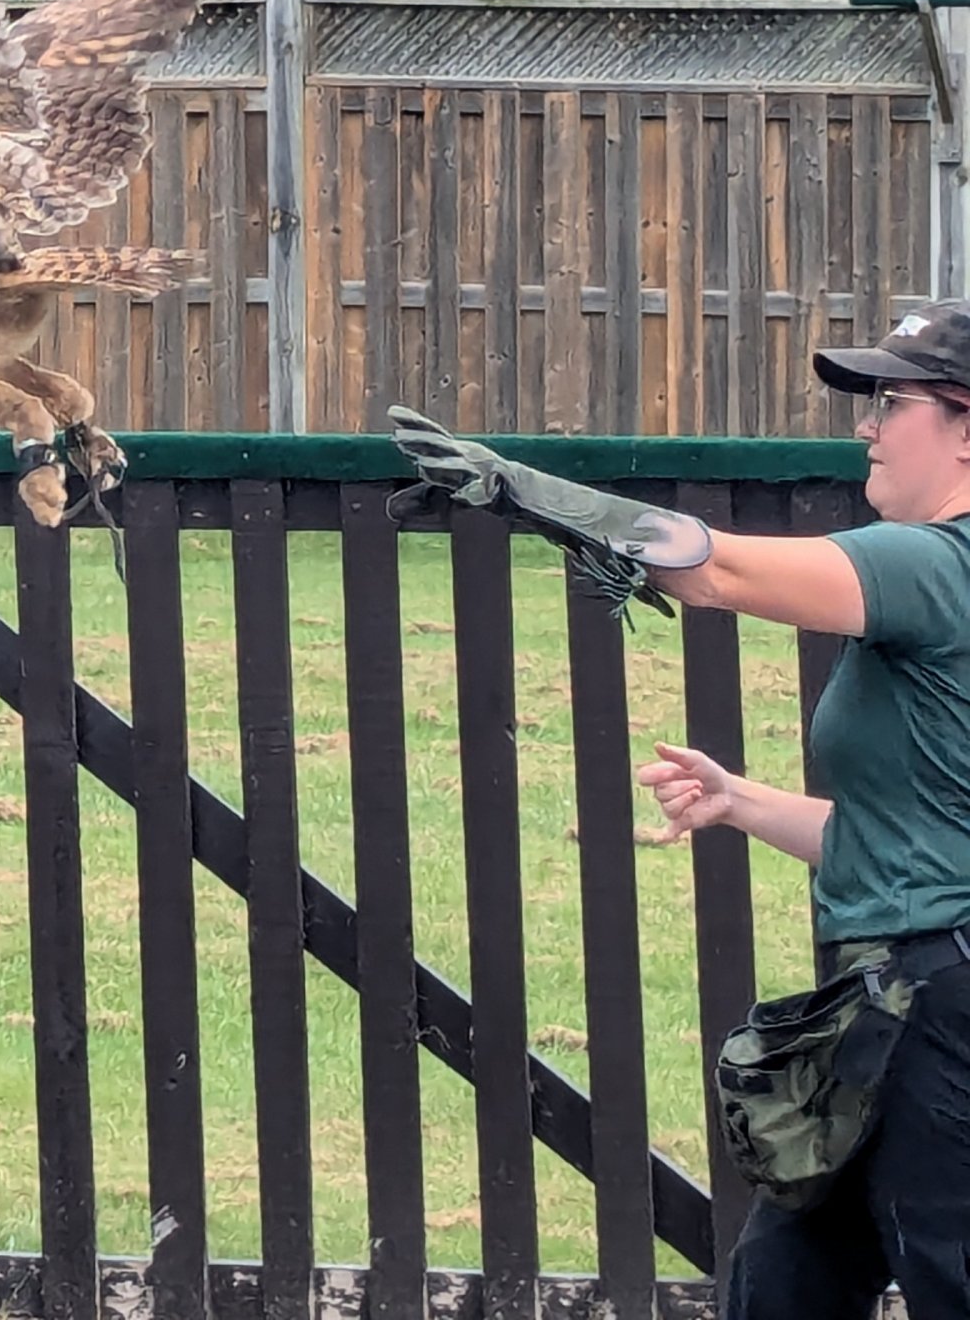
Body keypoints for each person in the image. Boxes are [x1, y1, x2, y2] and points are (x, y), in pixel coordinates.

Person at [394, 303, 970, 1320]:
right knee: (779, 1290)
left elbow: (719, 568)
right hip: (879, 1012)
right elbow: (908, 838)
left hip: (940, 1015)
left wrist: (526, 491)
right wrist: (742, 801)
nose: (869, 426)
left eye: (893, 401)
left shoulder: (938, 566)